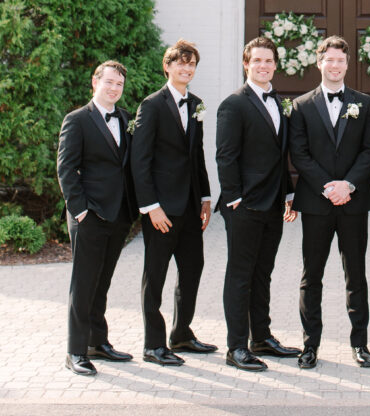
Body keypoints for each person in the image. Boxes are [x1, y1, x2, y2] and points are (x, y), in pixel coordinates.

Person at [289, 35, 370, 369]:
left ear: (347, 64)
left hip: (353, 203)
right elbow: (299, 153)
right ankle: (310, 345)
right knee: (311, 276)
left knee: (356, 274)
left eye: (341, 60)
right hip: (316, 202)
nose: (336, 66)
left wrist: (349, 185)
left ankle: (360, 344)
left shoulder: (364, 103)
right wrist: (328, 187)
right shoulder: (301, 105)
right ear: (319, 62)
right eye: (330, 60)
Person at [215, 36, 301, 372]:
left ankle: (261, 338)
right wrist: (234, 198)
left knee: (262, 273)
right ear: (246, 64)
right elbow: (225, 156)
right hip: (244, 206)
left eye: (268, 61)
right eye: (257, 61)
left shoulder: (278, 102)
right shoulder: (233, 104)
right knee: (240, 275)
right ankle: (236, 346)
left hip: (273, 204)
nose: (263, 66)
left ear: (275, 65)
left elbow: (279, 157)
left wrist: (289, 193)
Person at [131, 39, 216, 365]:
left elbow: (197, 156)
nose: (187, 68)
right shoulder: (151, 105)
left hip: (191, 208)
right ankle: (153, 345)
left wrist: (206, 198)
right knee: (155, 275)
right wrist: (151, 206)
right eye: (181, 63)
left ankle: (181, 334)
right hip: (162, 211)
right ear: (167, 66)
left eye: (191, 64)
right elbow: (140, 161)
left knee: (193, 269)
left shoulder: (196, 104)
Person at [57, 60, 137, 376]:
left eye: (119, 84)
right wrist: (81, 211)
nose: (114, 88)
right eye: (109, 82)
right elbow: (66, 169)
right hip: (88, 216)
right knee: (84, 283)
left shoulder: (127, 119)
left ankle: (97, 342)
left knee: (102, 282)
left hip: (118, 216)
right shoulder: (77, 120)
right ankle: (75, 351)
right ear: (95, 82)